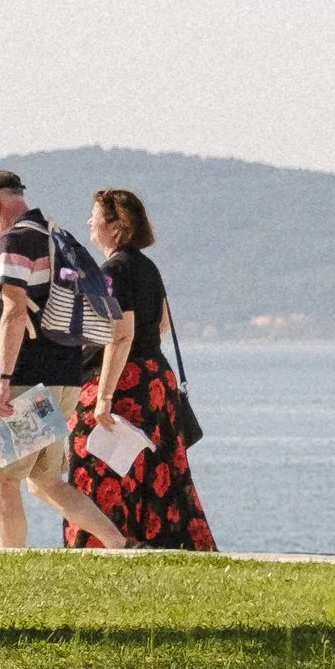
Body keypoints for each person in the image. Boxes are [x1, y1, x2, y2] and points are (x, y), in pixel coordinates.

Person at [0, 168, 126, 552]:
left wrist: (2, 380)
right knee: (45, 479)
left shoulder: (15, 241)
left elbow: (14, 312)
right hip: (66, 378)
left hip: (27, 380)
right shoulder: (57, 236)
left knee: (3, 477)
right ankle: (119, 544)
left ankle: (10, 565)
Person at [63, 186, 216, 551]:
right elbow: (161, 324)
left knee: (97, 467)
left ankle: (102, 545)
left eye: (95, 217)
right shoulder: (148, 268)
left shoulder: (112, 271)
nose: (89, 222)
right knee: (156, 471)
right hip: (155, 379)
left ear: (116, 227)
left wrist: (104, 398)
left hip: (123, 383)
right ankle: (166, 545)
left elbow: (121, 334)